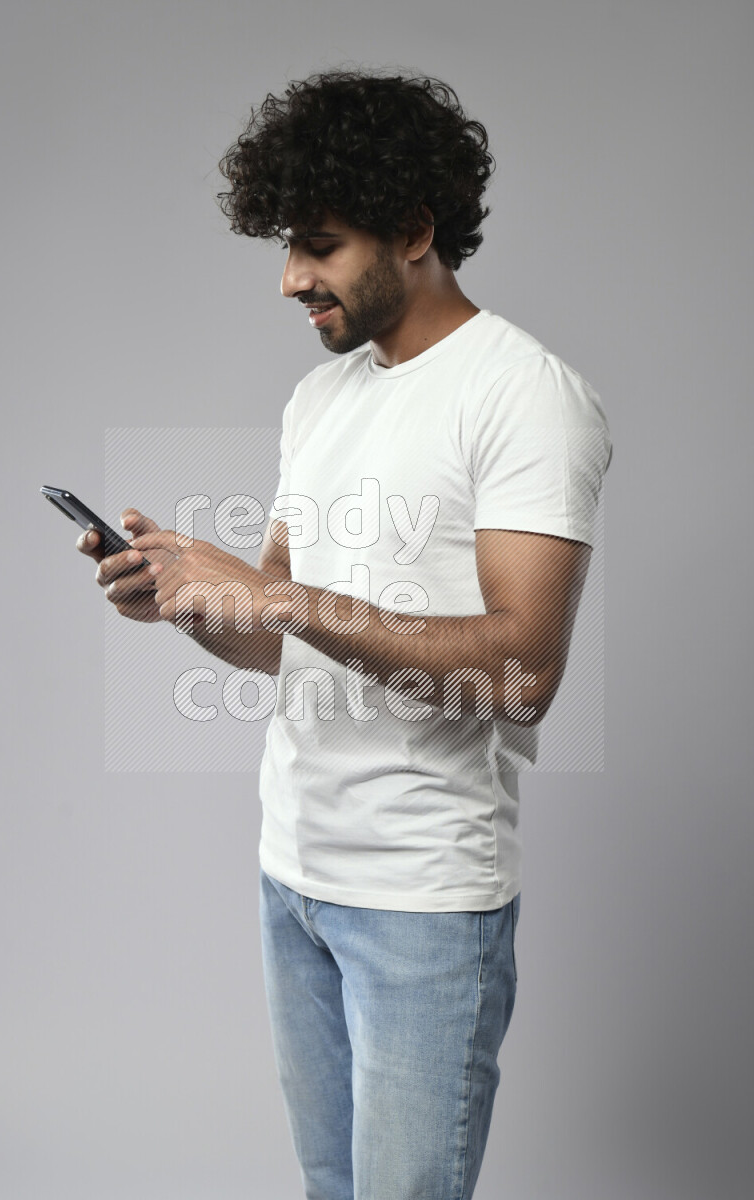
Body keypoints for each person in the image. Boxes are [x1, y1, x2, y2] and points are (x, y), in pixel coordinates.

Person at [77, 68, 612, 1200]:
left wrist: (280, 597)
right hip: (293, 875)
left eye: (316, 246)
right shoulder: (321, 399)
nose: (288, 281)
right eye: (286, 246)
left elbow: (525, 671)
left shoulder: (523, 394)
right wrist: (185, 598)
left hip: (421, 900)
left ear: (414, 231)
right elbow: (285, 640)